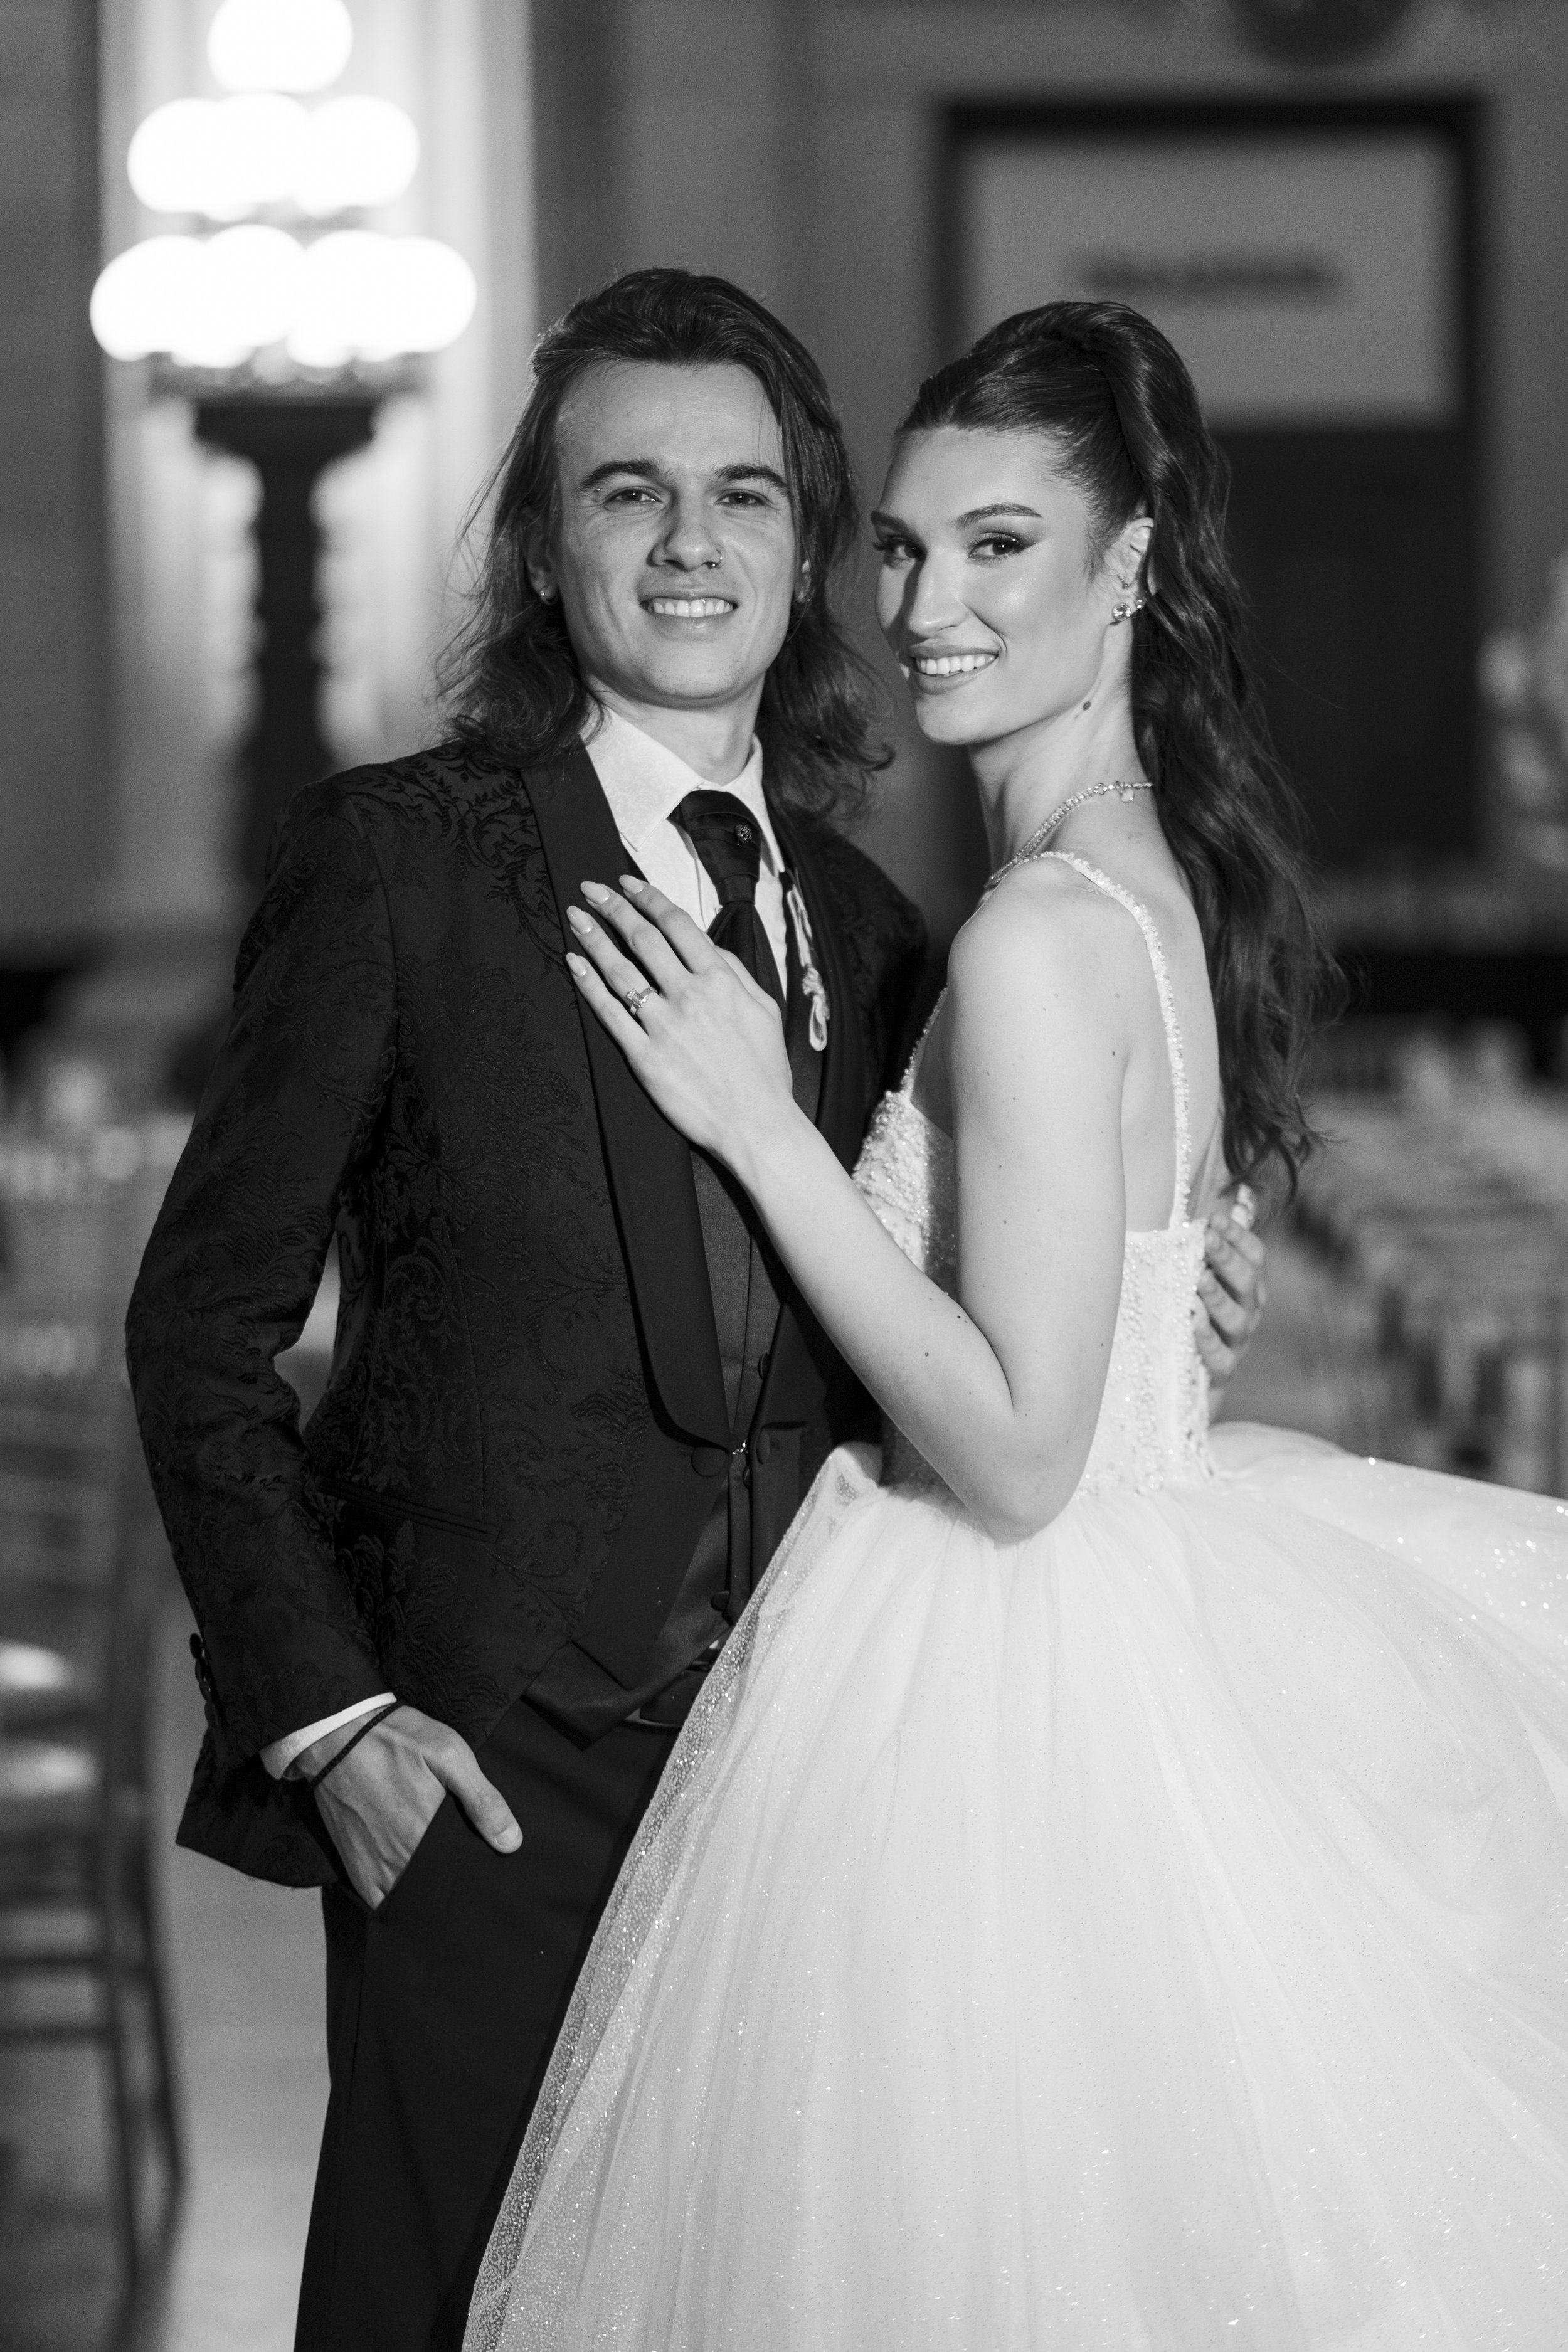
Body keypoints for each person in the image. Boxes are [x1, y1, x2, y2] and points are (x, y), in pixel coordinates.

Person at [124, 267, 1271, 2352]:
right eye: (626, 493)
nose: (686, 545)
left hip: (810, 1790)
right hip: (482, 1778)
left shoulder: (871, 922)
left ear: (806, 544)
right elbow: (196, 1334)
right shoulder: (398, 863)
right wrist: (334, 1720)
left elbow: (979, 1302)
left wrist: (1166, 1291)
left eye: (742, 496)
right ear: (543, 551)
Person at [465, 299, 1568, 2352]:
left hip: (1004, 1669)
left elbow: (1023, 1451)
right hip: (1130, 1622)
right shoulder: (1139, 890)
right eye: (895, 544)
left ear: (1129, 563)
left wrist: (754, 1127)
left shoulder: (1044, 938)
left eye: (994, 547)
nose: (920, 603)